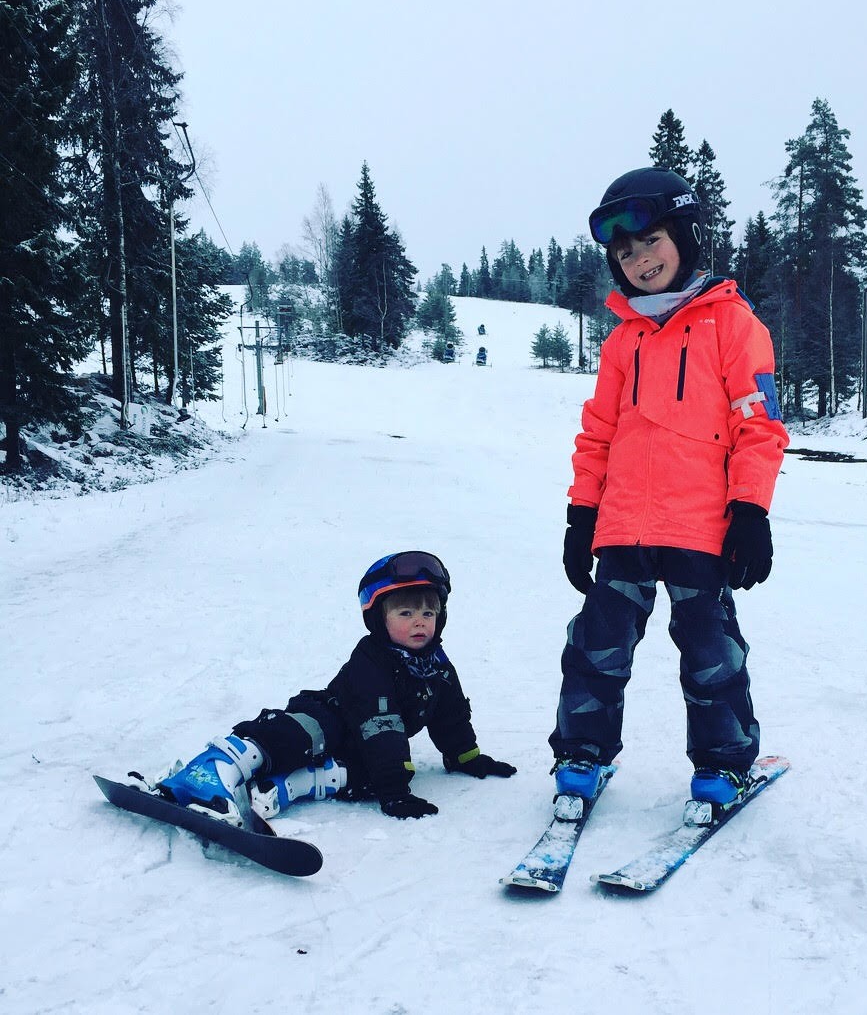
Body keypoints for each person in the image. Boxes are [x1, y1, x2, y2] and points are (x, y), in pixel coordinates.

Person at [549, 167, 789, 810]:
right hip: (623, 526)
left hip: (700, 527)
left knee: (711, 655)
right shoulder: (623, 340)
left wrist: (751, 511)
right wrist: (582, 515)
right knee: (596, 648)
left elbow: (758, 428)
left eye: (649, 240)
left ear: (684, 234)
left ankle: (723, 763)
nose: (638, 259)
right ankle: (581, 755)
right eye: (624, 252)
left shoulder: (735, 326)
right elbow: (598, 433)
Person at [157, 551, 516, 826]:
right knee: (306, 735)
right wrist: (395, 791)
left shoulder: (435, 663)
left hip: (362, 744)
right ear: (379, 619)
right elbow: (383, 724)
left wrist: (466, 756)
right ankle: (212, 768)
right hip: (332, 717)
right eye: (405, 614)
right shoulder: (371, 660)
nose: (419, 622)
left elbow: (449, 714)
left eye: (428, 613)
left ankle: (285, 786)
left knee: (367, 774)